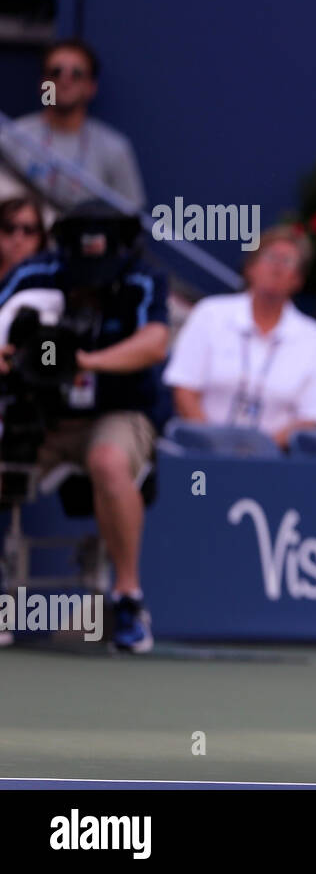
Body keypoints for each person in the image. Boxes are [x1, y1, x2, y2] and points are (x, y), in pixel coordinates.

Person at [0, 202, 168, 652]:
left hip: (117, 411)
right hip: (42, 416)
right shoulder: (35, 275)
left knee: (109, 461)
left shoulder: (142, 278)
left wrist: (87, 362)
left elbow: (154, 343)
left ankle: (128, 599)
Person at [163, 227, 316, 449]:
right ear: (250, 267)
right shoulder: (210, 313)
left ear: (298, 279)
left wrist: (259, 450)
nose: (277, 268)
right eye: (271, 257)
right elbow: (184, 389)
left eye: (288, 261)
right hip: (200, 452)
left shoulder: (313, 336)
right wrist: (215, 445)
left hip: (275, 462)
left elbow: (311, 417)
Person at [1, 39, 147, 210]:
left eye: (76, 74)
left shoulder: (114, 147)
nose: (65, 81)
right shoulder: (11, 138)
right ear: (43, 84)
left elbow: (130, 218)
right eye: (56, 72)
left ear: (91, 87)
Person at [0, 195, 49, 279]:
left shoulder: (42, 287)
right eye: (9, 228)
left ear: (40, 237)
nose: (18, 239)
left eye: (28, 230)